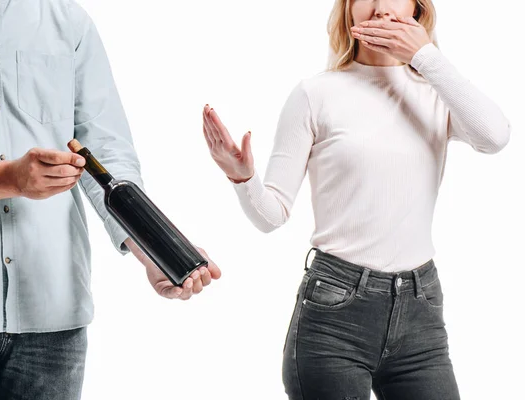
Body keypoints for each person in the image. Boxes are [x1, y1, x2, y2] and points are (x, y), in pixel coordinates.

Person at [202, 0, 510, 398]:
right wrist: (241, 175)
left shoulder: (437, 93)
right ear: (348, 9)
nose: (382, 9)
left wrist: (425, 56)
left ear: (418, 9)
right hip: (335, 317)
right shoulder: (316, 94)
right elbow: (271, 215)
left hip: (421, 315)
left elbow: (494, 137)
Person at [0, 0, 221, 399]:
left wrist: (149, 246)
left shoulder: (67, 21)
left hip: (53, 313)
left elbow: (104, 151)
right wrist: (6, 177)